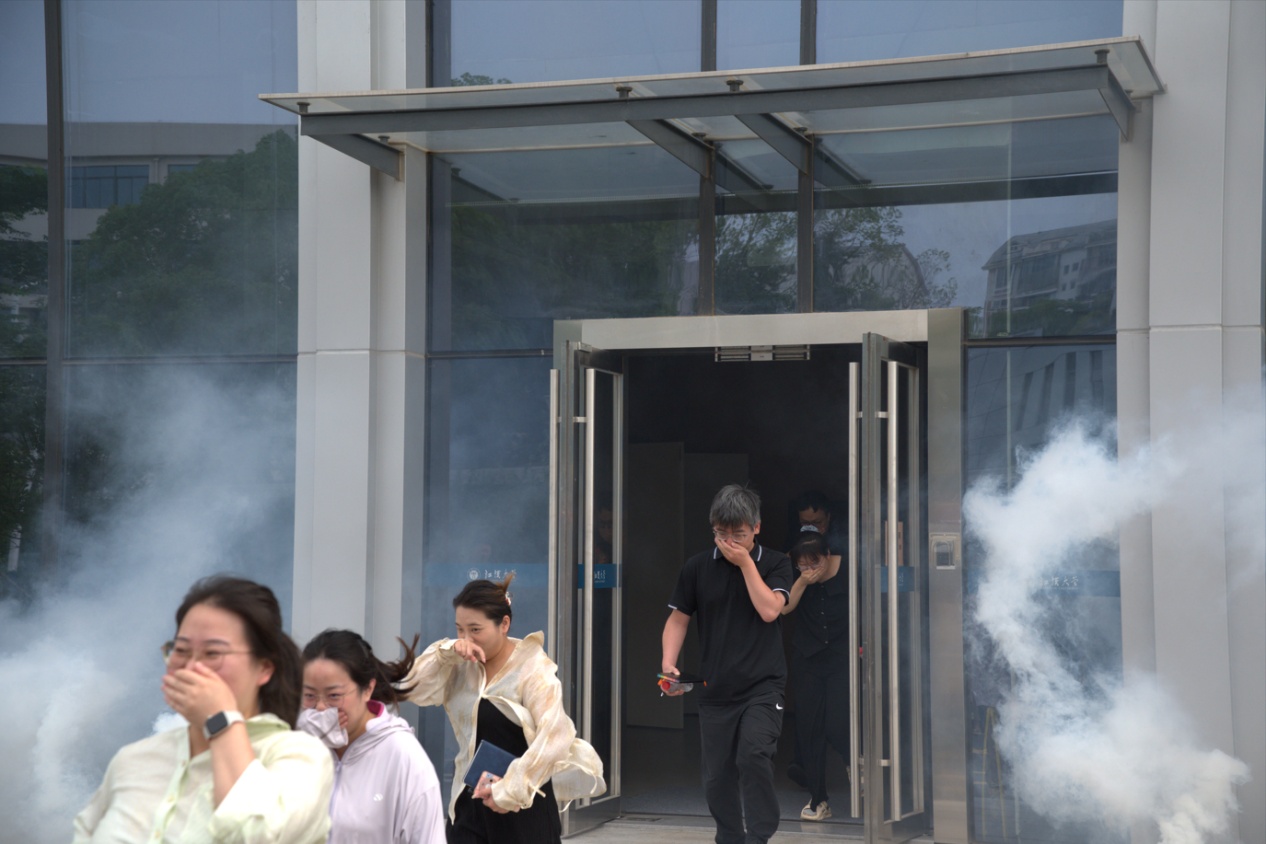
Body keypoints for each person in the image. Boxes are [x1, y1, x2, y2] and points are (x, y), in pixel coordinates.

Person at [73, 575, 333, 843]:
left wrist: (220, 719)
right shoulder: (132, 760)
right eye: (181, 650)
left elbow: (259, 834)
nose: (191, 667)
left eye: (212, 654)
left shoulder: (299, 756)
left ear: (264, 668)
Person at [398, 573, 605, 844]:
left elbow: (556, 735)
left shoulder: (531, 667)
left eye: (475, 630)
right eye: (460, 629)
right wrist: (447, 651)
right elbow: (410, 688)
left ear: (504, 624)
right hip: (471, 803)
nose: (467, 638)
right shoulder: (459, 665)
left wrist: (511, 789)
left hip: (523, 808)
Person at [661, 484, 793, 844]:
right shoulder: (697, 567)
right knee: (717, 777)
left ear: (756, 528)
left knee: (754, 757)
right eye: (721, 534)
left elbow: (770, 610)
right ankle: (730, 837)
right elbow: (678, 619)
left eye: (739, 534)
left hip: (763, 687)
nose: (730, 542)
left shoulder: (777, 563)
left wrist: (746, 563)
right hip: (716, 689)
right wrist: (669, 663)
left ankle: (759, 836)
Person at [299, 629, 446, 843]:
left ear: (368, 689)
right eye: (309, 695)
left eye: (334, 695)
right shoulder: (295, 749)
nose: (320, 707)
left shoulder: (403, 757)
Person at [781, 527, 852, 821]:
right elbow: (784, 609)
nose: (810, 570)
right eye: (803, 565)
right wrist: (801, 581)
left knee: (838, 723)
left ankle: (853, 759)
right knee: (809, 730)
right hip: (808, 658)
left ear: (828, 555)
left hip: (841, 657)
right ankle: (818, 800)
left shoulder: (847, 569)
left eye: (815, 563)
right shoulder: (796, 575)